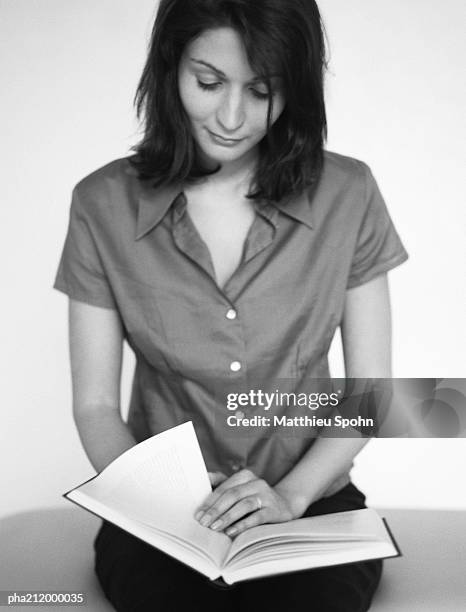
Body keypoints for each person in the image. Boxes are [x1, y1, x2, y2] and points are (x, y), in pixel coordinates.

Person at [53, 0, 408, 610]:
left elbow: (370, 391)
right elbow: (94, 406)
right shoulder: (101, 204)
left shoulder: (349, 194)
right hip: (160, 515)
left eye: (262, 90)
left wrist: (290, 497)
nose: (233, 116)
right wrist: (166, 501)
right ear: (170, 68)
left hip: (311, 503)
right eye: (208, 83)